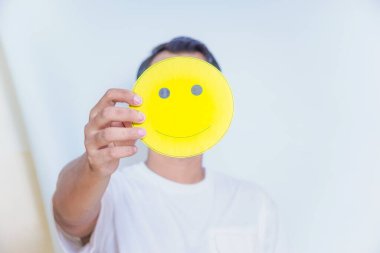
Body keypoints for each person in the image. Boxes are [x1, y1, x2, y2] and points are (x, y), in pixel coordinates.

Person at [53, 36, 282, 253]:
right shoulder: (110, 191)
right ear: (138, 104)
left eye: (195, 89)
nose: (180, 106)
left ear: (218, 103)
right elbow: (69, 217)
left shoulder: (254, 203)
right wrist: (94, 166)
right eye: (165, 92)